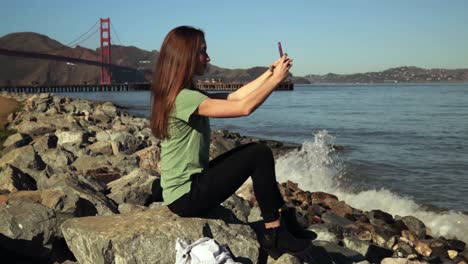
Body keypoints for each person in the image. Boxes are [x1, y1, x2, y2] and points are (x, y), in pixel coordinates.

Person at [150, 25, 312, 259]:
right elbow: (243, 107)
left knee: (256, 152)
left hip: (186, 188)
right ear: (186, 57)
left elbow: (236, 96)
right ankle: (274, 234)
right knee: (259, 154)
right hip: (186, 197)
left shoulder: (181, 93)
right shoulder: (184, 98)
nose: (208, 57)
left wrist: (269, 73)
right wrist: (276, 79)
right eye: (202, 52)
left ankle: (285, 222)